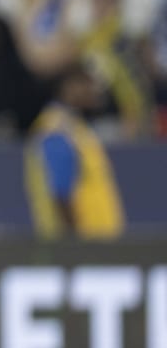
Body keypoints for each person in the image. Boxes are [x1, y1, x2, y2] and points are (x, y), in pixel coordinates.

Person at [25, 67, 126, 240]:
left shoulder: (74, 125)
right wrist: (73, 249)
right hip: (84, 247)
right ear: (69, 87)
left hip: (97, 244)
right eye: (87, 82)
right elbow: (61, 191)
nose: (95, 88)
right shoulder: (57, 128)